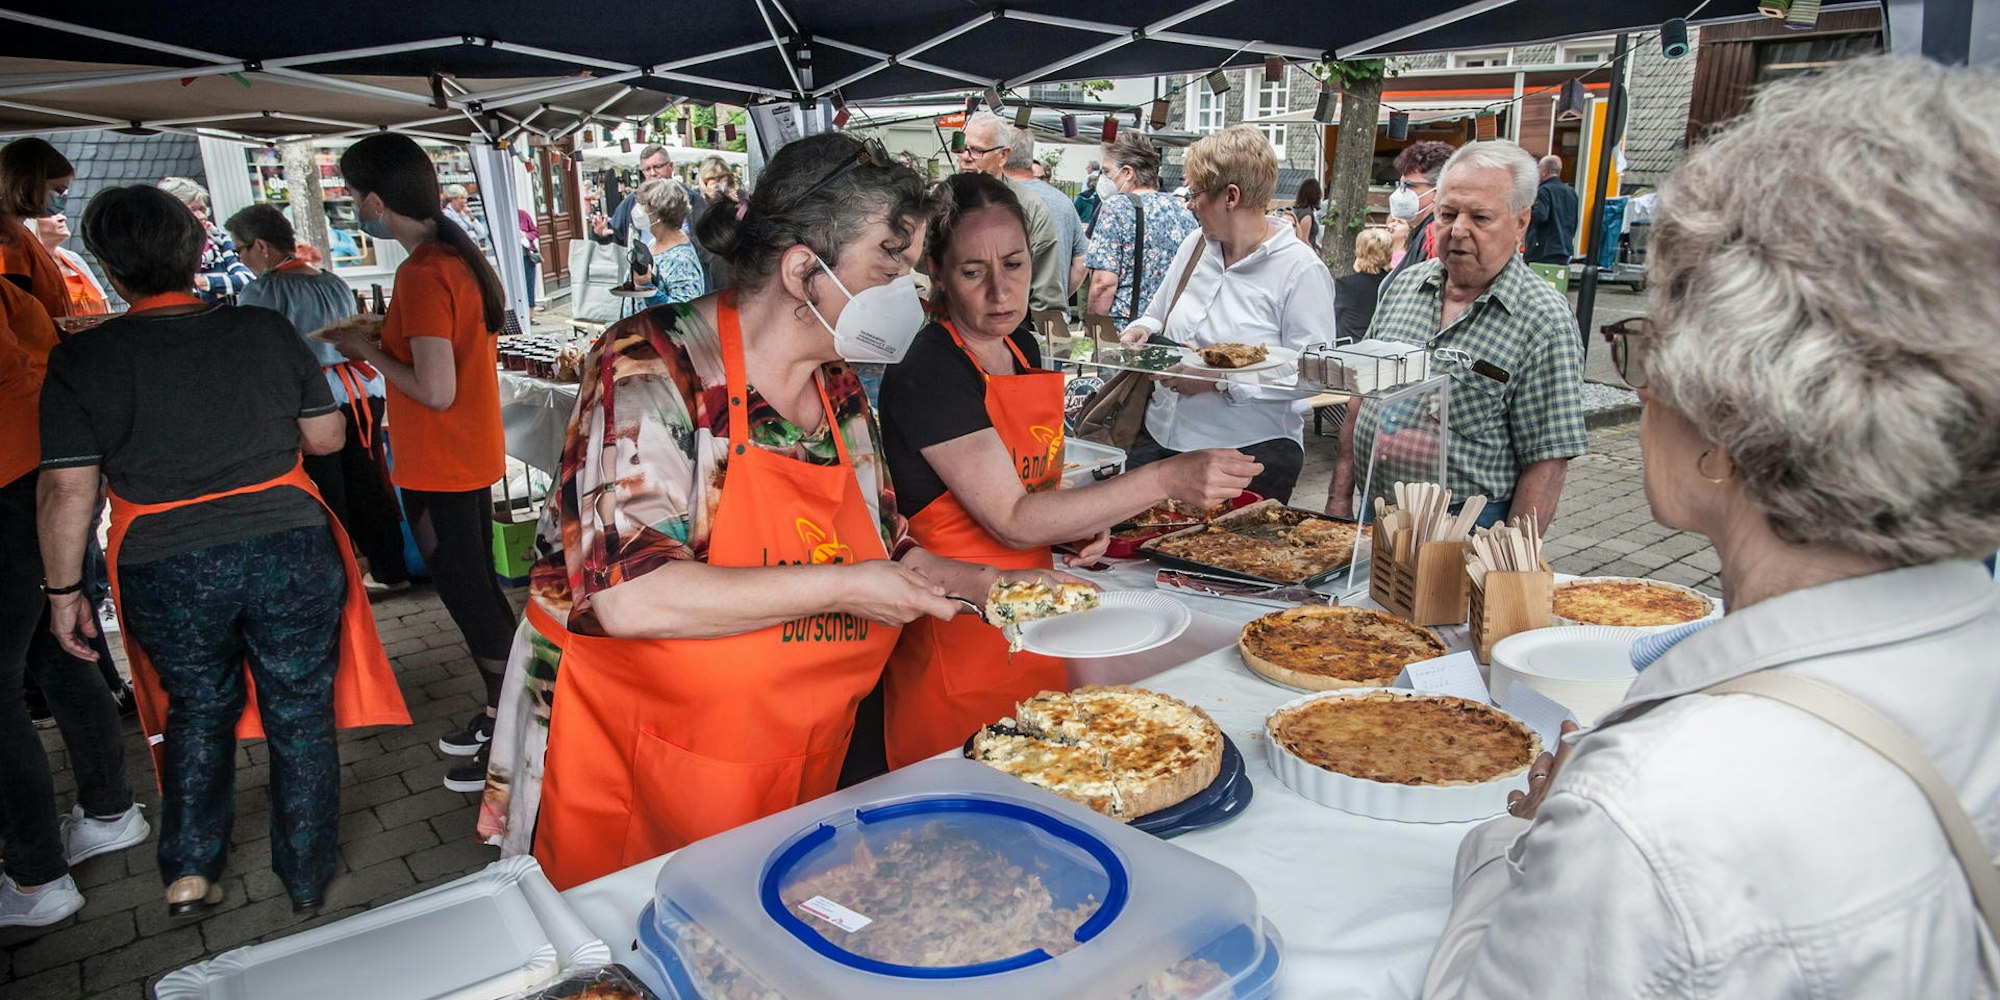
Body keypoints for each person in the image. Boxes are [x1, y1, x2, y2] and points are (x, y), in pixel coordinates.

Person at [1424, 57, 2000, 998]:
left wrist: (1518, 839)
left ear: (1728, 417)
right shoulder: (1971, 642)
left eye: (1647, 344)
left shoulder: (1655, 805)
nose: (1644, 385)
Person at [494, 134, 1066, 890]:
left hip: (791, 758)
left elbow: (889, 549)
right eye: (888, 269)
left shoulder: (838, 386)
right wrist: (845, 587)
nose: (912, 294)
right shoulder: (654, 363)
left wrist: (994, 589)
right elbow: (630, 595)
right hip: (640, 763)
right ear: (803, 272)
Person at [37, 185, 408, 918]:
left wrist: (62, 593)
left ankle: (188, 870)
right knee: (298, 708)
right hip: (288, 546)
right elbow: (327, 437)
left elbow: (67, 491)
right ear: (193, 252)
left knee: (197, 706)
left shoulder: (83, 359)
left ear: (109, 267)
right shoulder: (262, 330)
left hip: (164, 561)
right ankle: (306, 875)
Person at [873, 172, 1258, 768]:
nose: (1001, 291)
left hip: (1040, 623)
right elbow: (1013, 519)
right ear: (938, 272)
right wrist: (1165, 478)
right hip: (960, 631)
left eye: (1015, 264)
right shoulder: (929, 370)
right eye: (973, 271)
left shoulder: (1023, 346)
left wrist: (1072, 526)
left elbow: (1031, 491)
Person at [324, 135, 516, 794]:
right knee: (477, 590)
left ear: (377, 200)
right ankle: (506, 711)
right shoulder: (452, 258)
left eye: (354, 196)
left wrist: (364, 350)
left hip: (442, 462)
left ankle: (514, 722)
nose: (355, 208)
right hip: (463, 455)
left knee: (469, 596)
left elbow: (435, 389)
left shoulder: (424, 271)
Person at [1327, 140, 1586, 533]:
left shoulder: (1543, 320)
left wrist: (1508, 559)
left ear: (1521, 222)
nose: (1459, 230)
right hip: (1373, 512)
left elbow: (1547, 463)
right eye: (1447, 214)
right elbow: (1360, 399)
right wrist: (1338, 498)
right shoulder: (1403, 285)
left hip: (1466, 527)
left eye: (1480, 217)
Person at [0, 276, 146, 930]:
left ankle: (35, 873)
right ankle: (108, 810)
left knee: (22, 671)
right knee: (57, 649)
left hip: (15, 482)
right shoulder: (13, 292)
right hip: (35, 471)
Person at [1115, 125, 1337, 502]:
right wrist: (1142, 330)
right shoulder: (1196, 244)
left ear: (1230, 196)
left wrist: (1217, 381)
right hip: (1159, 436)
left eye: (1195, 194)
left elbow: (1314, 376)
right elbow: (1157, 313)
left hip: (1247, 453)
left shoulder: (1300, 269)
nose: (1189, 204)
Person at [227, 203, 411, 596]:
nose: (240, 258)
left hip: (312, 399)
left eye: (240, 249)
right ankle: (390, 568)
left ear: (261, 246)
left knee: (326, 490)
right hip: (361, 390)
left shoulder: (264, 290)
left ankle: (341, 579)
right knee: (367, 480)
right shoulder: (331, 280)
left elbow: (254, 353)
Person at [1084, 132, 1199, 329]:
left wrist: (1093, 329)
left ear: (1128, 173)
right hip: (1169, 329)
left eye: (1107, 171)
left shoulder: (1117, 207)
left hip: (1125, 330)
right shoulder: (1183, 211)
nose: (1103, 178)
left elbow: (1103, 284)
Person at [957, 113, 1065, 314]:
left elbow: (1046, 294)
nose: (965, 157)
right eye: (961, 148)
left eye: (977, 151)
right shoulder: (942, 201)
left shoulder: (1029, 207)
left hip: (1008, 323)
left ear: (1003, 155)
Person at [1002, 129, 1086, 301]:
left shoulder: (995, 198)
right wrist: (1060, 296)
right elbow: (1082, 259)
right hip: (1052, 311)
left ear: (1003, 154)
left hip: (1006, 310)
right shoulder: (1062, 201)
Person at [0, 138, 75, 322]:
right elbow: (16, 312)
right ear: (29, 182)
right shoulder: (8, 239)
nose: (61, 198)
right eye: (58, 190)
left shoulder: (19, 234)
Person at [156, 177, 253, 304]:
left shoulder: (219, 240)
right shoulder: (162, 250)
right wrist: (223, 286)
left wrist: (206, 283)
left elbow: (247, 279)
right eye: (193, 210)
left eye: (202, 209)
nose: (202, 216)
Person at [629, 178, 705, 311]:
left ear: (660, 213)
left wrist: (647, 289)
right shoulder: (655, 242)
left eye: (643, 204)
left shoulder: (681, 260)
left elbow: (685, 313)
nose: (639, 209)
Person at [589, 144, 679, 249]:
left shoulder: (689, 199)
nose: (653, 173)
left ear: (671, 166)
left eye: (657, 167)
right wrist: (601, 235)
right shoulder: (633, 201)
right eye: (647, 169)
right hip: (644, 258)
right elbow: (617, 237)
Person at [1386, 140, 1453, 276]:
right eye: (1401, 185)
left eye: (1409, 185)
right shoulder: (1421, 232)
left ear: (1439, 190)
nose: (1402, 192)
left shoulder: (1436, 236)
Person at [31, 212, 108, 315]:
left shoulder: (72, 258)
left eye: (60, 213)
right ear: (30, 223)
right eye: (50, 214)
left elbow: (104, 302)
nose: (62, 218)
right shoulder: (29, 263)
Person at [1334, 226, 1394, 343]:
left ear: (1360, 252)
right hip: (1384, 346)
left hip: (1351, 348)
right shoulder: (1394, 281)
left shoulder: (1346, 285)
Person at [1524, 154, 1579, 265]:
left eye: (1538, 169)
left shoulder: (1544, 191)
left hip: (1543, 250)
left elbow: (1540, 216)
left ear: (1544, 172)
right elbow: (1574, 221)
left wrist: (1526, 211)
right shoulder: (1571, 192)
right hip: (1564, 248)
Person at [441, 185, 489, 253]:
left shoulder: (465, 213)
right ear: (453, 199)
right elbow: (458, 235)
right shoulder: (447, 214)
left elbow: (481, 232)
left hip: (474, 250)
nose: (465, 201)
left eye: (465, 198)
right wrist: (472, 233)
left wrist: (471, 217)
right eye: (462, 198)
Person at [1288, 178, 1324, 254]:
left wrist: (1316, 246)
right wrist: (1314, 255)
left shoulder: (1298, 210)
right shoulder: (1307, 214)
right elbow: (1304, 240)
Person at [517, 208, 541, 311]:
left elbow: (535, 231)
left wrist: (526, 235)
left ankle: (531, 312)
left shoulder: (522, 214)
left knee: (529, 284)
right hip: (513, 260)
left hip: (527, 256)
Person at [1074, 160, 1102, 231]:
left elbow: (1075, 213)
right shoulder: (1101, 198)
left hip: (1083, 225)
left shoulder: (1082, 197)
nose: (1086, 169)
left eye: (1088, 167)